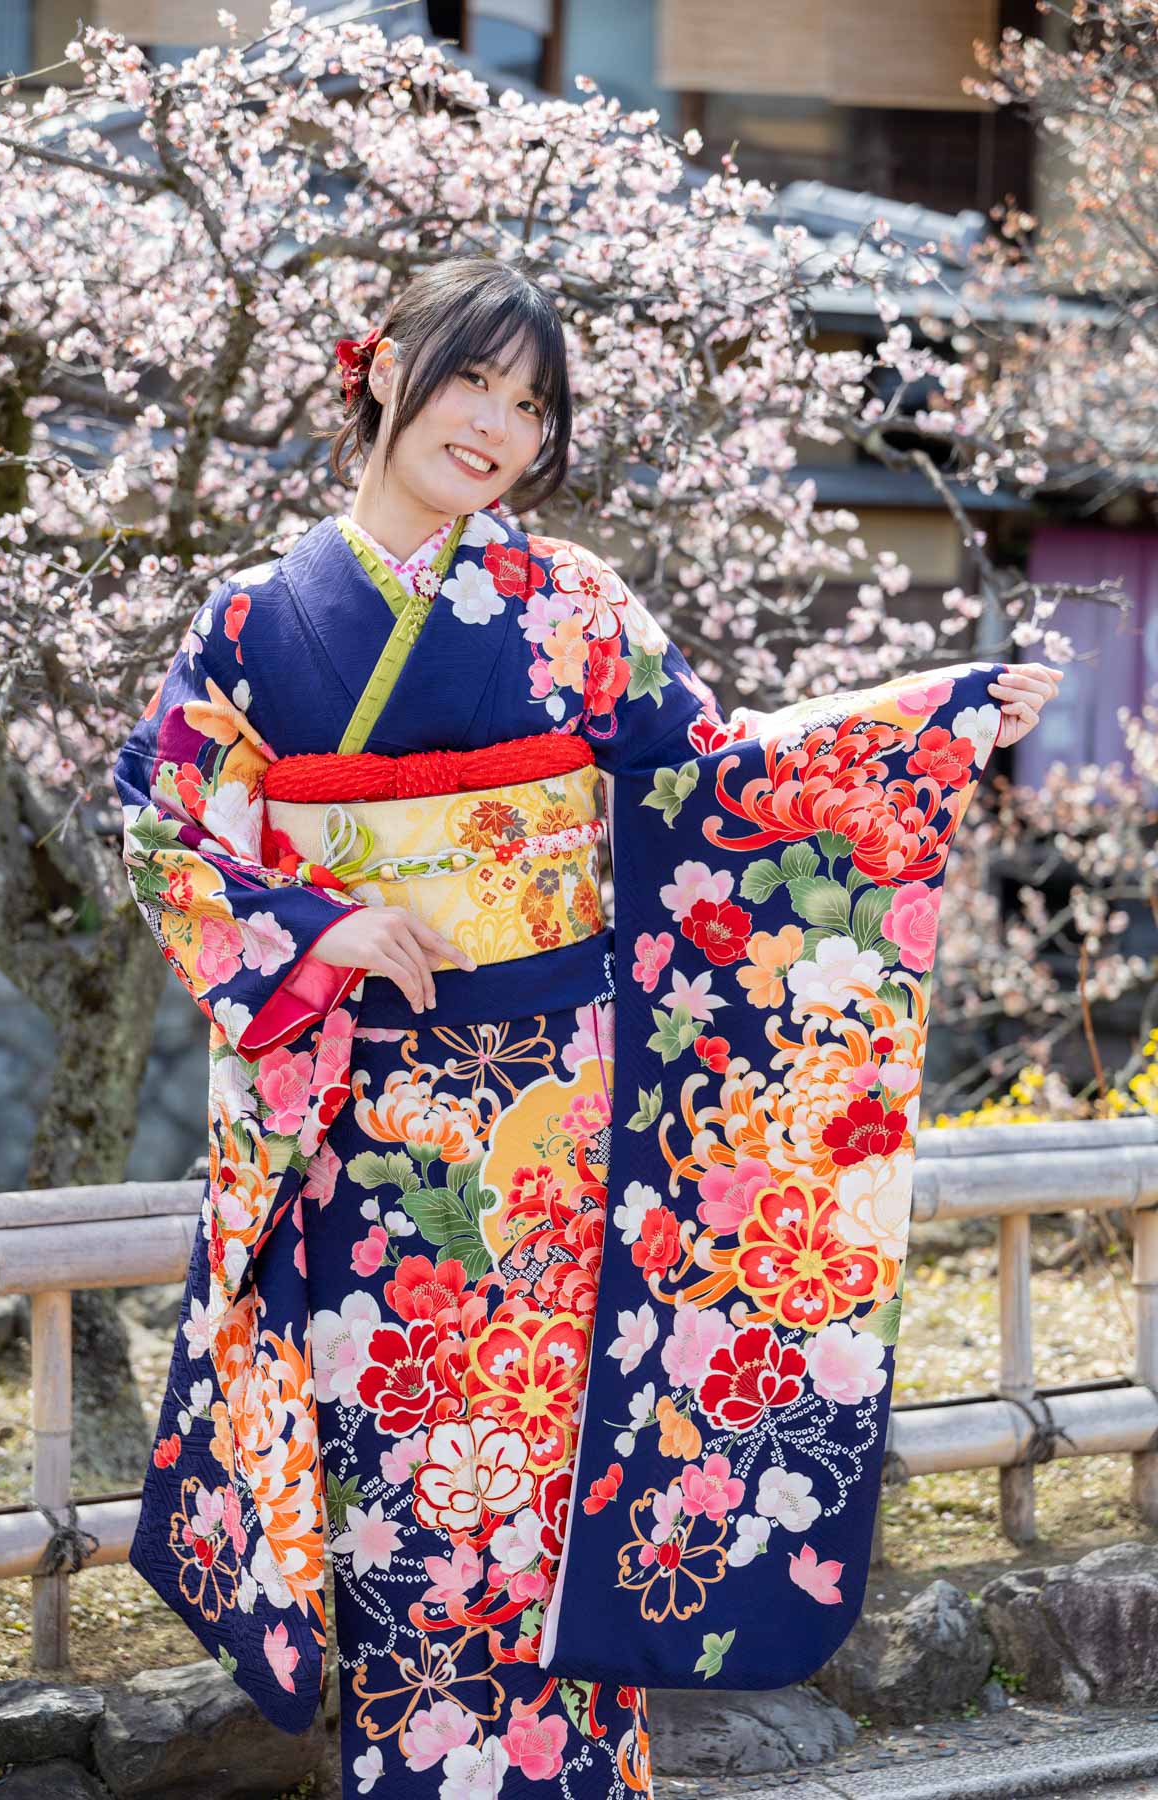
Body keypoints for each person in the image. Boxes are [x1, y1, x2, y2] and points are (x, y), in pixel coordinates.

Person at [113, 255, 1060, 1798]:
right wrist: (322, 926)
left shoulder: (572, 606)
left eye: (530, 404)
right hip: (365, 1143)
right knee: (404, 1515)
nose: (497, 425)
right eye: (470, 380)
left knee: (554, 1513)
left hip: (554, 1147)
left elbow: (722, 783)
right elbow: (159, 823)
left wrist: (926, 722)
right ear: (384, 367)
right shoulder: (251, 621)